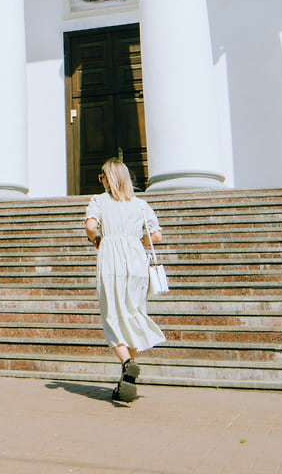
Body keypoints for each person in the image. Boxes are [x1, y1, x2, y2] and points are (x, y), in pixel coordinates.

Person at [85, 157, 165, 402]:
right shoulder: (141, 205)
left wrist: (96, 240)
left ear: (109, 179)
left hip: (111, 259)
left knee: (112, 315)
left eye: (102, 176)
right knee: (132, 313)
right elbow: (157, 236)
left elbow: (90, 226)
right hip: (136, 260)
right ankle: (126, 378)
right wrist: (135, 242)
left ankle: (127, 361)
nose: (101, 181)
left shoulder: (99, 200)